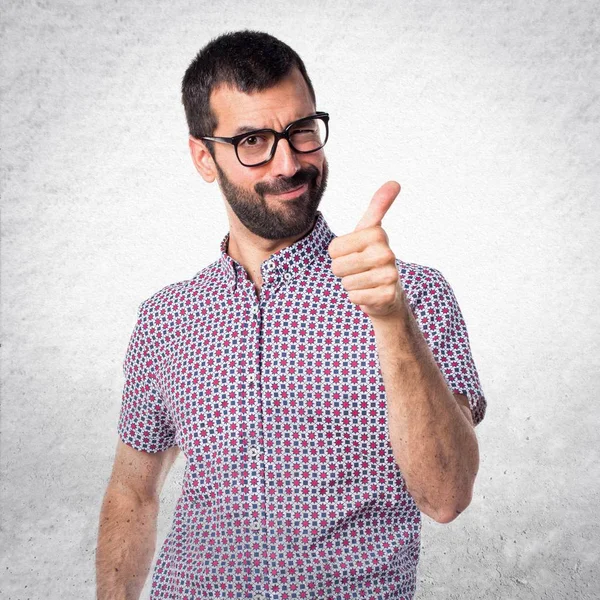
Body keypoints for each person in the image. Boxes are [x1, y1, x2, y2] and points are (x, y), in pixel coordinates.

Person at [96, 30, 486, 600]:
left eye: (301, 131)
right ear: (204, 157)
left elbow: (447, 497)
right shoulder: (166, 318)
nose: (289, 162)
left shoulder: (414, 296)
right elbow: (132, 492)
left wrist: (392, 320)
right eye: (253, 140)